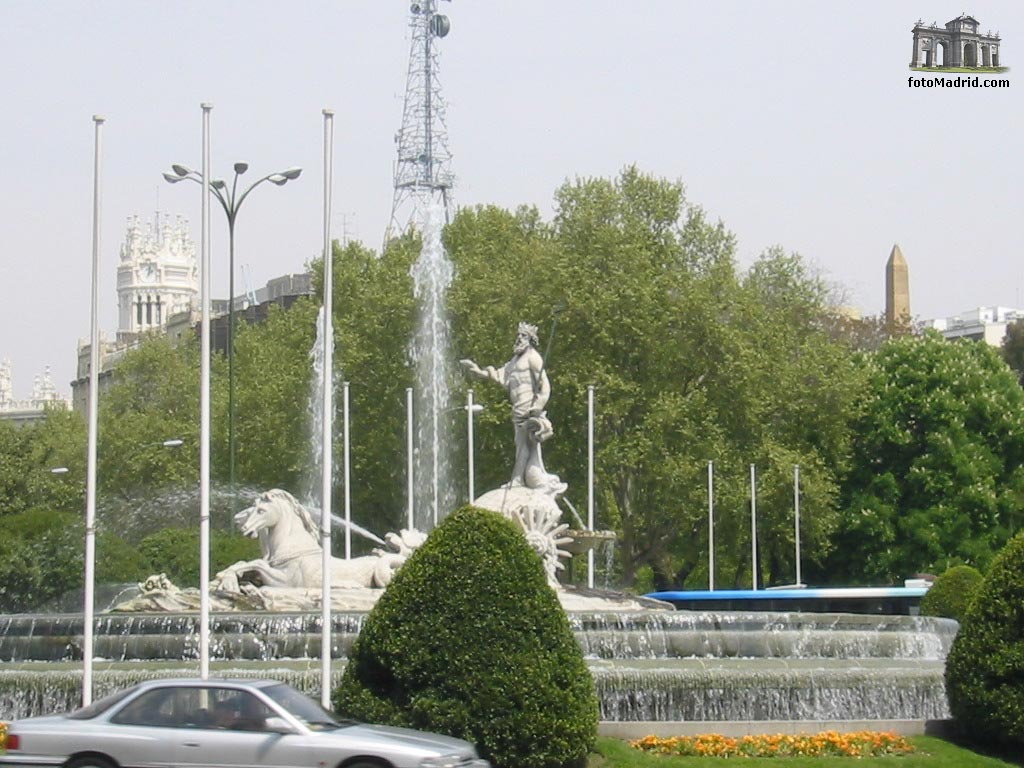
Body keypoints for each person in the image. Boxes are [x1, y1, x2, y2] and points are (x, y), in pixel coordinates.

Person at [460, 322, 566, 494]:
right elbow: (499, 375)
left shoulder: (533, 357)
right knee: (521, 445)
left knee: (524, 444)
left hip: (529, 410)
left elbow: (545, 385)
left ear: (531, 339)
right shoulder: (515, 361)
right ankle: (529, 478)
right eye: (518, 335)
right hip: (517, 410)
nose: (519, 338)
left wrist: (538, 406)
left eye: (523, 336)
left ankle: (517, 480)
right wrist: (478, 371)